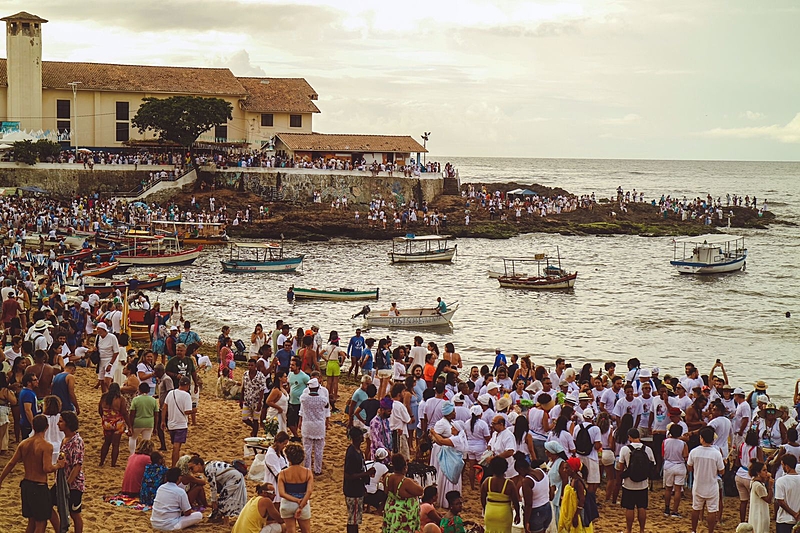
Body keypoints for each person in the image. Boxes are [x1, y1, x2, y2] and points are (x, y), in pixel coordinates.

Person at [0, 414, 65, 533]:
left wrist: (0, 480)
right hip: (39, 486)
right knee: (41, 523)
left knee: (32, 521)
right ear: (47, 427)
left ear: (33, 427)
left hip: (26, 485)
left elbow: (11, 463)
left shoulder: (24, 443)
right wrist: (58, 466)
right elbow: (47, 468)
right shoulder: (46, 446)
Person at [188, 455, 248, 525]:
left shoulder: (208, 470)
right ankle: (220, 518)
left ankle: (226, 522)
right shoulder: (208, 466)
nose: (191, 470)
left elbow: (213, 487)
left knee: (223, 499)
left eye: (192, 468)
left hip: (234, 478)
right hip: (234, 477)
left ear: (198, 464)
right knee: (223, 499)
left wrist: (214, 501)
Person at [616, 428, 656, 533]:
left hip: (629, 483)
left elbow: (621, 467)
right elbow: (652, 465)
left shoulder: (625, 449)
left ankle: (629, 530)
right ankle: (641, 530)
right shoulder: (647, 449)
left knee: (629, 508)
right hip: (643, 484)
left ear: (629, 437)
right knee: (642, 507)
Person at [688, 426, 725, 533]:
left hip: (698, 484)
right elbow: (722, 471)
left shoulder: (694, 452)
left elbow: (689, 467)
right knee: (712, 510)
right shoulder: (716, 453)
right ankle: (710, 531)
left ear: (701, 438)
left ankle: (693, 530)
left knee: (696, 508)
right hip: (712, 485)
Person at [150, 467, 203, 531]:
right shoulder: (180, 491)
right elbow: (187, 512)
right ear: (179, 478)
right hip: (170, 525)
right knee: (199, 515)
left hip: (155, 523)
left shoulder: (161, 488)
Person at [57, 411, 84, 533]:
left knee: (75, 514)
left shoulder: (76, 441)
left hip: (73, 484)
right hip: (63, 482)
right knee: (49, 504)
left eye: (61, 421)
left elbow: (77, 466)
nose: (58, 423)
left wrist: (67, 484)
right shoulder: (65, 439)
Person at [382, 453, 423, 533]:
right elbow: (420, 491)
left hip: (390, 509)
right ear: (405, 468)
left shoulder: (387, 477)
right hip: (402, 512)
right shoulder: (406, 481)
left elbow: (386, 491)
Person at [343, 426, 374, 533]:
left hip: (357, 489)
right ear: (357, 437)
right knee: (353, 518)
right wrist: (366, 473)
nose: (363, 437)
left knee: (355, 518)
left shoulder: (357, 451)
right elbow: (348, 475)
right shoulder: (352, 453)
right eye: (361, 435)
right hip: (353, 490)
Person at [278, 443, 314, 533]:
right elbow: (309, 492)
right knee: (306, 530)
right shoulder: (307, 472)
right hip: (303, 502)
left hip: (287, 504)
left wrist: (295, 500)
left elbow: (282, 493)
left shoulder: (283, 473)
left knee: (290, 530)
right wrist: (300, 505)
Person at [298, 378, 330, 475]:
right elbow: (327, 406)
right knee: (319, 449)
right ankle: (317, 469)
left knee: (307, 449)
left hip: (307, 425)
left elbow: (302, 409)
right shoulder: (323, 399)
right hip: (319, 426)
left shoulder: (304, 398)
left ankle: (307, 468)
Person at [481, 456, 519, 533]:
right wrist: (517, 514)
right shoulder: (509, 484)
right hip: (504, 513)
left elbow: (482, 498)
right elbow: (515, 501)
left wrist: (485, 509)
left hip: (490, 511)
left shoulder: (487, 481)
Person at [515, 454, 552, 533]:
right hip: (547, 508)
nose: (519, 475)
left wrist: (526, 522)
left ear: (521, 469)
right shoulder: (540, 471)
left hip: (535, 513)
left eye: (519, 472)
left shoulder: (527, 481)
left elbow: (529, 504)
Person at [162, 377, 193, 467]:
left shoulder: (171, 393)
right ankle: (174, 466)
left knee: (175, 446)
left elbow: (164, 407)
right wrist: (194, 410)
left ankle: (174, 465)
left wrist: (163, 421)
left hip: (171, 424)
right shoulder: (186, 395)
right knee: (176, 447)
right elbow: (187, 411)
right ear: (187, 386)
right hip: (181, 424)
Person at [560, 456, 593, 533]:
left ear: (573, 469)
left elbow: (582, 499)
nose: (564, 470)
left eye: (566, 468)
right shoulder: (572, 480)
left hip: (576, 513)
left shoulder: (578, 482)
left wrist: (576, 516)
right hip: (571, 511)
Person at [99, 382, 129, 467]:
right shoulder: (120, 399)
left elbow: (100, 410)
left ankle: (101, 462)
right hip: (117, 423)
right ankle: (113, 464)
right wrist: (129, 425)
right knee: (115, 444)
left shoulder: (104, 397)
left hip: (107, 422)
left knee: (106, 443)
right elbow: (124, 412)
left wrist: (104, 418)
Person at [662, 423, 688, 517]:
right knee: (678, 490)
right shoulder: (683, 444)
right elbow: (685, 456)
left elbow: (663, 454)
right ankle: (675, 511)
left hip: (668, 464)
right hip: (679, 465)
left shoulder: (665, 441)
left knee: (668, 489)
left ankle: (667, 508)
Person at [128, 382, 159, 456]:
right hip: (149, 423)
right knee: (146, 441)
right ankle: (145, 455)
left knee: (133, 438)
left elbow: (132, 414)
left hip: (138, 422)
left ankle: (132, 454)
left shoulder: (136, 400)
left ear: (139, 390)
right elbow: (156, 414)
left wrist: (130, 426)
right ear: (148, 390)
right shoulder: (153, 400)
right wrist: (155, 427)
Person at [241, 358, 266, 437]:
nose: (250, 367)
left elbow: (262, 389)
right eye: (249, 365)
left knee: (255, 419)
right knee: (244, 418)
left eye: (252, 365)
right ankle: (254, 428)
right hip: (247, 399)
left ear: (255, 366)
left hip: (256, 400)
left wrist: (259, 402)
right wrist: (241, 399)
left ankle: (254, 434)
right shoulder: (245, 374)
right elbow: (243, 387)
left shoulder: (260, 376)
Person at [775, 454, 800, 533]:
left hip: (784, 519)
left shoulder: (781, 481)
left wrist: (794, 514)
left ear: (786, 466)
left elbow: (780, 502)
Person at [322, 332, 345, 412]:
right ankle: (335, 396)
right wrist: (341, 363)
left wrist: (326, 359)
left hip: (329, 363)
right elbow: (343, 355)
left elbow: (320, 353)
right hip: (335, 363)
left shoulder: (327, 347)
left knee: (329, 382)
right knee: (335, 382)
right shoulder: (338, 348)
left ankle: (328, 395)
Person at [747, 460, 773, 533]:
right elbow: (768, 500)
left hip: (757, 512)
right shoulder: (758, 485)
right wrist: (770, 487)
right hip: (760, 514)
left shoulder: (754, 481)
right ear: (758, 472)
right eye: (764, 470)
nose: (766, 472)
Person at [287, 357, 309, 438]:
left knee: (295, 420)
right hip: (291, 400)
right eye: (290, 365)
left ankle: (295, 435)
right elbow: (290, 385)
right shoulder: (290, 374)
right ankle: (295, 435)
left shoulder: (304, 376)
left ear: (298, 366)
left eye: (293, 365)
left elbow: (310, 386)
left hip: (300, 402)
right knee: (290, 421)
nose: (291, 366)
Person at [264, 371, 289, 436]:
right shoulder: (276, 390)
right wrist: (279, 408)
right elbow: (268, 401)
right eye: (285, 376)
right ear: (280, 378)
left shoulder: (282, 388)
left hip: (282, 414)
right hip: (276, 414)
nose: (286, 378)